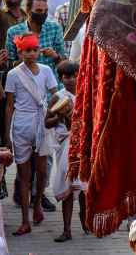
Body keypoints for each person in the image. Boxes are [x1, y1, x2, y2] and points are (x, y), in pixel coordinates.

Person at [3, 32, 58, 236]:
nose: (31, 54)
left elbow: (55, 95)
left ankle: (37, 205)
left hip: (41, 122)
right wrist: (7, 135)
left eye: (34, 50)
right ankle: (25, 219)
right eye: (27, 50)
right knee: (24, 175)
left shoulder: (46, 71)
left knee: (42, 171)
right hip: (22, 123)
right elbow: (9, 106)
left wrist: (57, 114)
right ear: (20, 52)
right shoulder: (13, 74)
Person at [45, 61, 86, 242]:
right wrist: (59, 116)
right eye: (66, 77)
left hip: (84, 144)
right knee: (68, 186)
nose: (70, 80)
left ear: (80, 74)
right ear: (60, 78)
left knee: (84, 186)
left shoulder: (87, 93)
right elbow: (47, 122)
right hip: (65, 144)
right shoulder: (57, 97)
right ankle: (67, 229)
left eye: (73, 76)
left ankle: (85, 219)